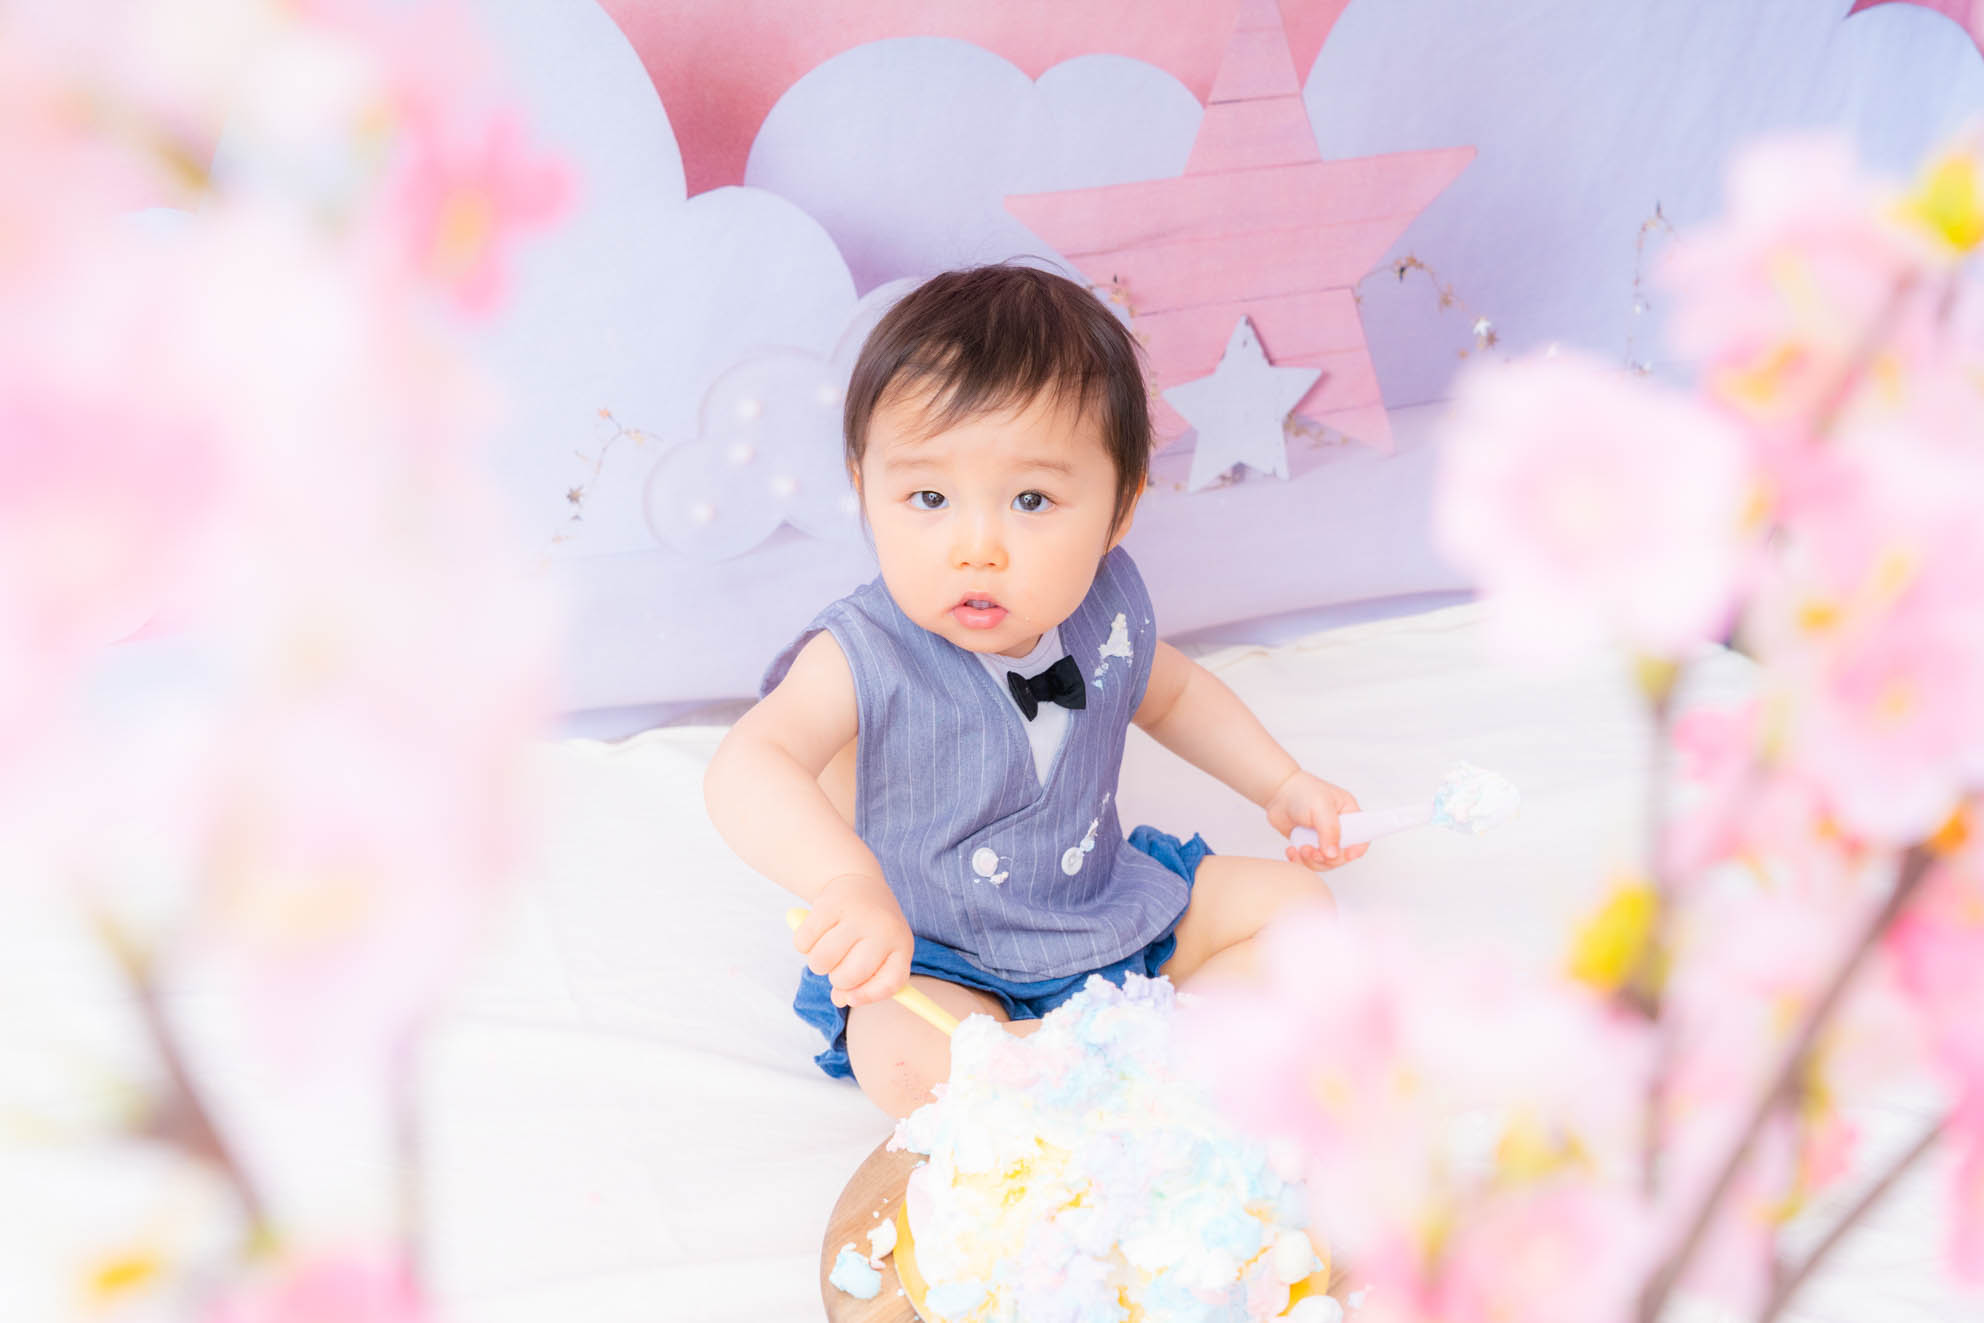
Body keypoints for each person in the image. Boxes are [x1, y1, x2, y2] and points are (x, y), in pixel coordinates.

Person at [703, 263, 1365, 1119]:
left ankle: (1154, 1042)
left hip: (1102, 903)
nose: (977, 546)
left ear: (1119, 508)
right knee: (902, 1057)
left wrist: (1282, 782)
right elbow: (752, 760)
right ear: (865, 487)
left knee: (1301, 913)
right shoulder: (860, 652)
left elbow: (1173, 695)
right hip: (940, 949)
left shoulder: (1106, 607)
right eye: (929, 496)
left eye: (1031, 498)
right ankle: (1061, 1059)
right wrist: (845, 882)